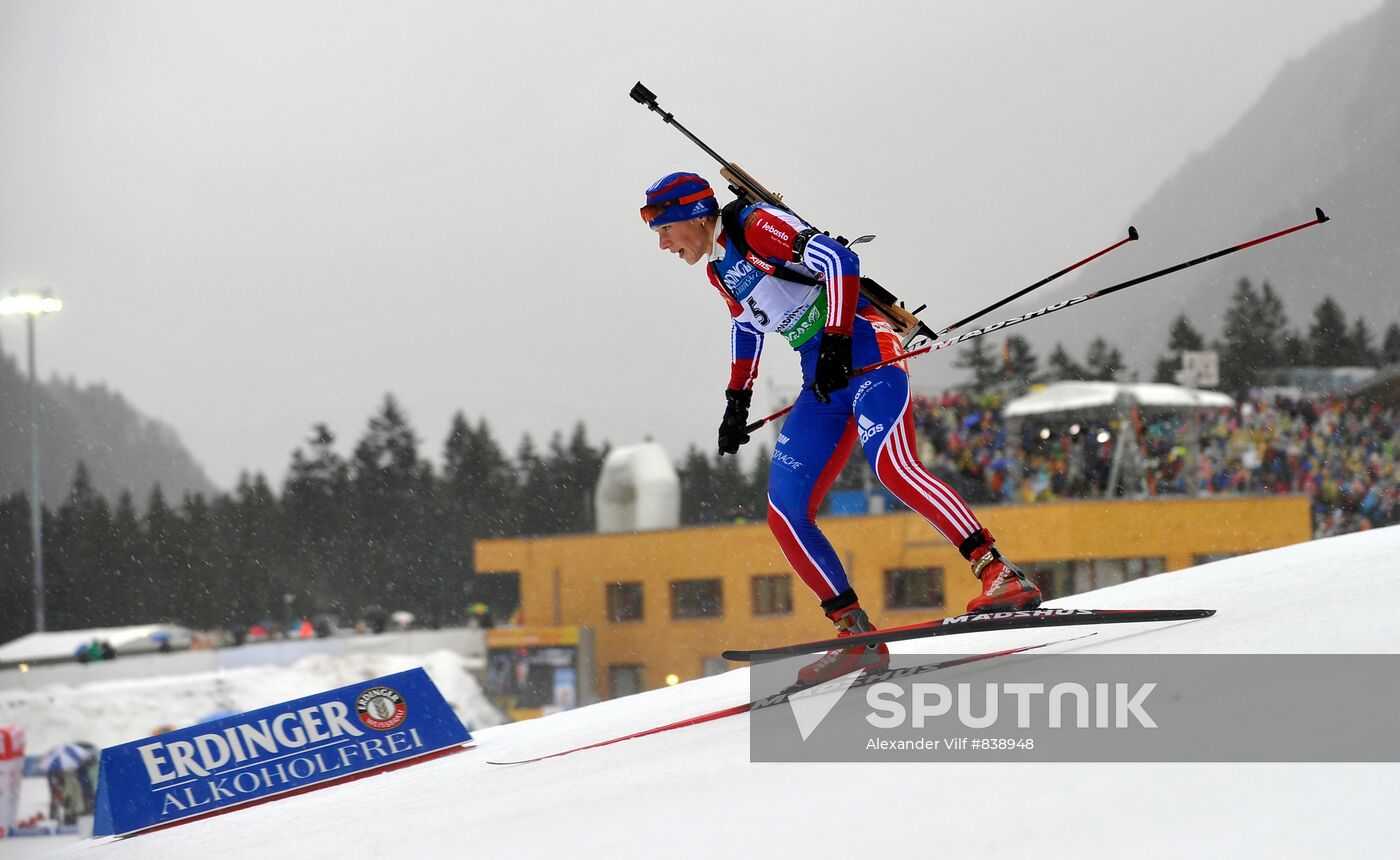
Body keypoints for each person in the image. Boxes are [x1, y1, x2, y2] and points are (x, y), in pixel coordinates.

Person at [641, 172, 1042, 685]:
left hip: (868, 349)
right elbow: (745, 324)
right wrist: (735, 401)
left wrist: (833, 339)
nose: (663, 244)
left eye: (665, 229)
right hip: (824, 379)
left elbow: (838, 259)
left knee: (892, 467)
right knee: (785, 509)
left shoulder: (754, 225)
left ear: (696, 216)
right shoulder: (719, 269)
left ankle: (999, 573)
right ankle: (855, 633)